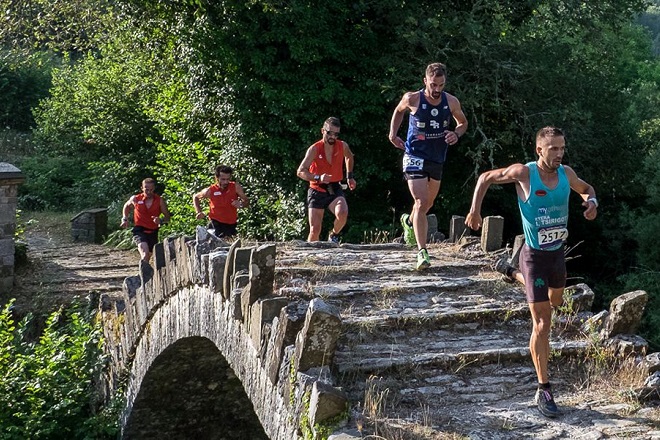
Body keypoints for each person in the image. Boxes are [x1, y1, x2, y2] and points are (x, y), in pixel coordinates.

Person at [465, 126, 598, 418]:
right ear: (539, 150)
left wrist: (591, 203)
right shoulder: (524, 174)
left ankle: (512, 275)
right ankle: (544, 387)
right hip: (534, 256)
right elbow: (486, 177)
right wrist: (475, 210)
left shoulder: (566, 174)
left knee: (556, 303)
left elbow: (587, 189)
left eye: (562, 148)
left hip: (556, 257)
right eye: (553, 149)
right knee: (542, 323)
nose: (559, 154)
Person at [389, 62, 468, 270]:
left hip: (436, 157)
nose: (436, 90)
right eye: (433, 85)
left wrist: (456, 134)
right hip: (414, 154)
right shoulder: (412, 98)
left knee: (427, 204)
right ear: (425, 81)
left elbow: (463, 123)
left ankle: (408, 222)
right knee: (421, 200)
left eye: (440, 85)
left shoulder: (451, 102)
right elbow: (398, 111)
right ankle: (422, 252)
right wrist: (393, 134)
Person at [297, 117, 356, 242]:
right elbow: (300, 171)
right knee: (315, 230)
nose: (333, 137)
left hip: (334, 187)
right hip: (316, 190)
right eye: (329, 133)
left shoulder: (342, 146)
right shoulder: (314, 149)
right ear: (323, 131)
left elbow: (349, 157)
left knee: (342, 212)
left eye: (336, 134)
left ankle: (333, 235)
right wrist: (318, 177)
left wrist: (349, 177)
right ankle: (309, 257)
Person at [121, 178, 171, 262]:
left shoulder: (159, 200)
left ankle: (144, 272)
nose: (149, 192)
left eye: (151, 190)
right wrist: (124, 219)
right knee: (145, 254)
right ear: (142, 188)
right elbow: (126, 206)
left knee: (149, 256)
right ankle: (143, 275)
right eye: (146, 189)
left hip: (153, 232)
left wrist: (161, 220)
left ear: (154, 188)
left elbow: (167, 217)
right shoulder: (136, 199)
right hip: (139, 231)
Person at [193, 165, 249, 239]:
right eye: (223, 179)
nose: (225, 182)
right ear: (217, 178)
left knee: (229, 246)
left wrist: (241, 204)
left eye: (228, 179)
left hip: (231, 223)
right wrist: (199, 212)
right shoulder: (211, 190)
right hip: (215, 222)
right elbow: (196, 197)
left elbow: (246, 201)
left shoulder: (235, 187)